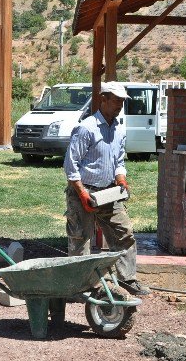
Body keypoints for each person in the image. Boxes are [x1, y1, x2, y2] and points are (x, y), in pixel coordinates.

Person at [63, 81, 149, 296]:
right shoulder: (86, 128)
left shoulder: (118, 129)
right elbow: (71, 165)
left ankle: (127, 279)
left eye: (122, 101)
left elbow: (119, 161)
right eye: (116, 101)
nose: (119, 105)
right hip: (83, 190)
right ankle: (80, 287)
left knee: (124, 234)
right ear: (103, 99)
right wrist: (82, 193)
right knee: (80, 238)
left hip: (109, 192)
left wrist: (121, 179)